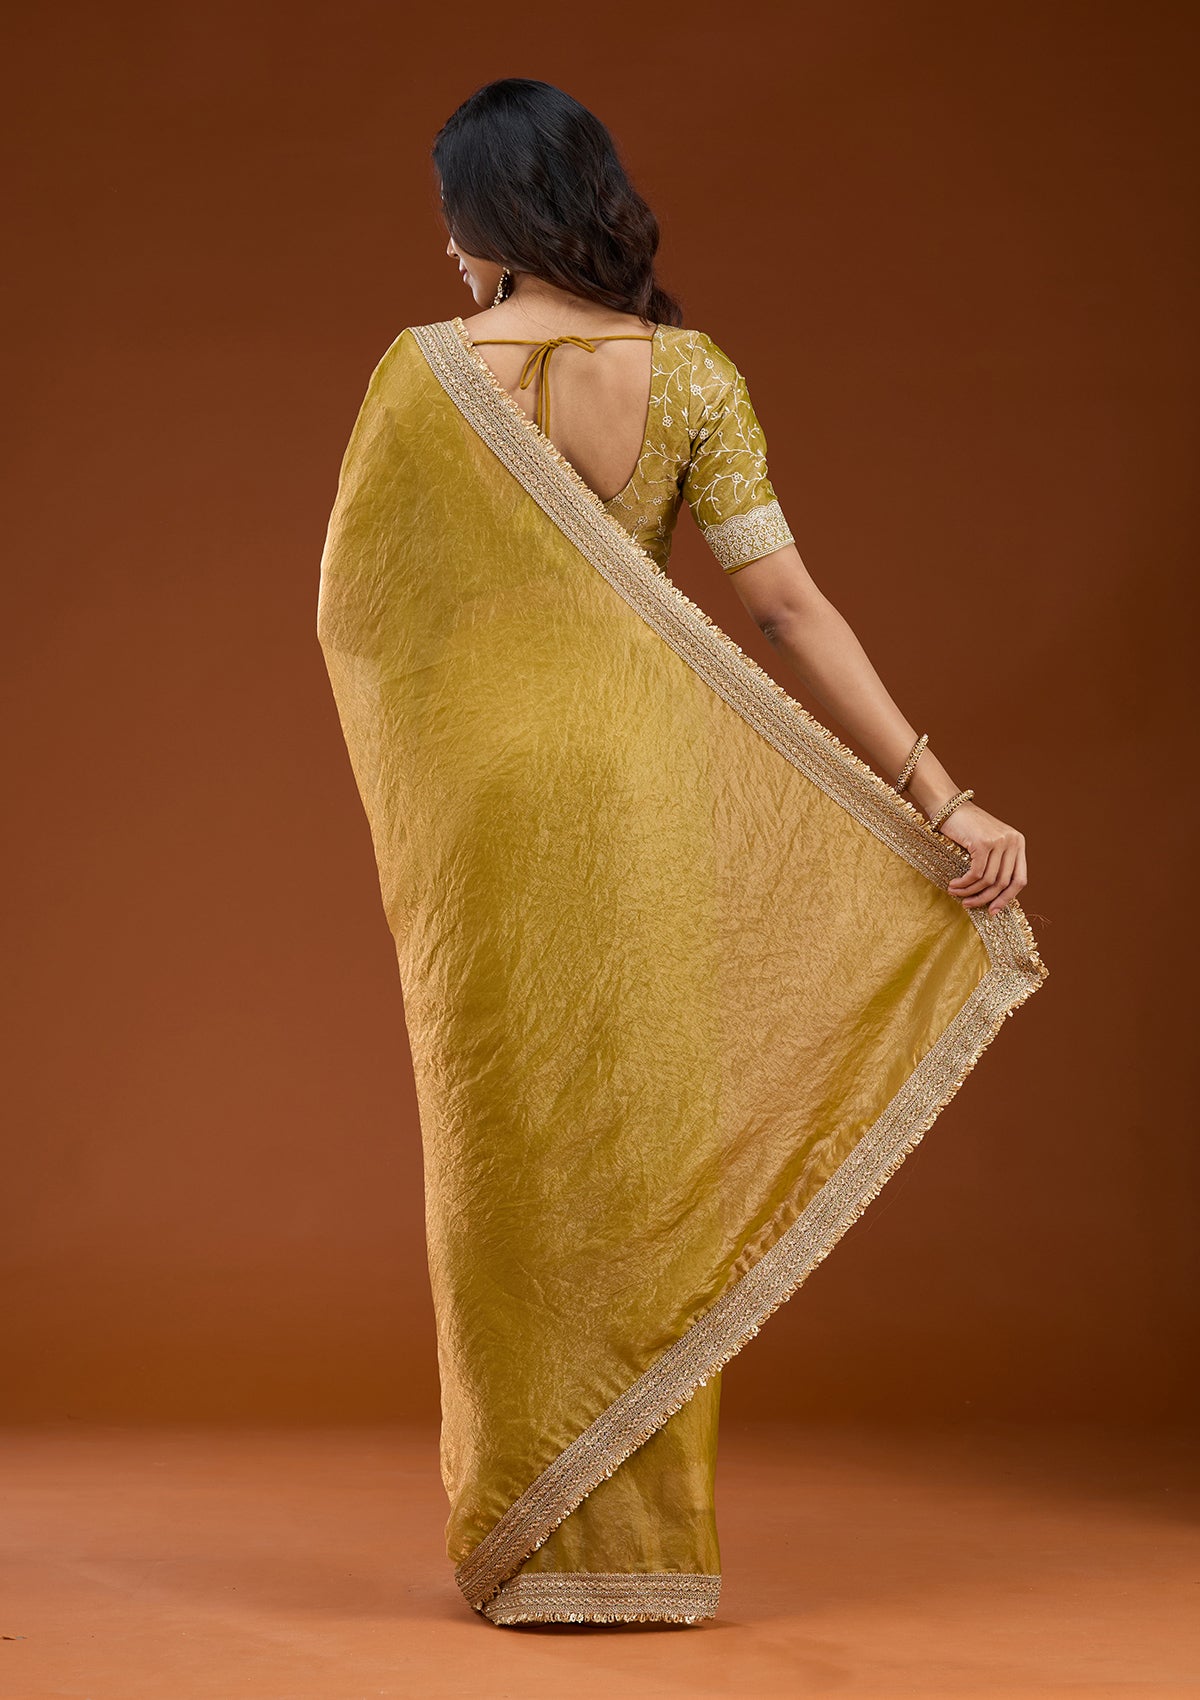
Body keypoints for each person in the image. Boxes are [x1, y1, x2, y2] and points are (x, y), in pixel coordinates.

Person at [316, 77, 1047, 1628]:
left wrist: (446, 753)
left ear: (489, 216)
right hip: (649, 786)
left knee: (503, 1140)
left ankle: (524, 1539)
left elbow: (359, 615)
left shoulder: (426, 376)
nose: (446, 251)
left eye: (452, 217)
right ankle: (643, 1549)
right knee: (651, 1134)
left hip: (495, 805)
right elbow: (782, 605)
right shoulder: (693, 375)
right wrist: (942, 796)